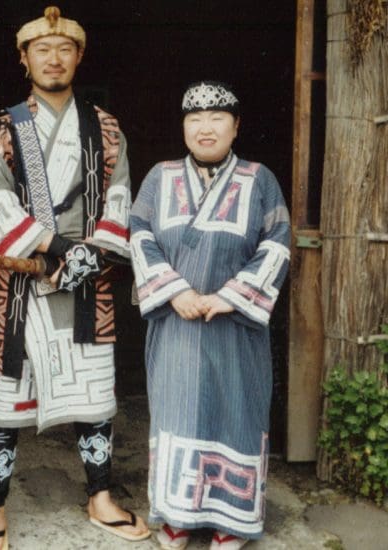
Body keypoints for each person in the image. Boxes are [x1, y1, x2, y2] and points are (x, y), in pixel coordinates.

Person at [0, 6, 150, 549]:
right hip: (22, 285)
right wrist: (59, 246)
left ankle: (99, 496)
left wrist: (90, 254)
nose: (54, 58)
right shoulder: (1, 128)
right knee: (6, 398)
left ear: (79, 57)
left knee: (94, 392)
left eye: (64, 49)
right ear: (23, 58)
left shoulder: (107, 126)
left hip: (89, 282)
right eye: (42, 50)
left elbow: (120, 197)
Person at [129, 81, 290, 550]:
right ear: (183, 127)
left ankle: (231, 522)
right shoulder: (159, 177)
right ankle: (177, 518)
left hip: (235, 327)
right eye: (195, 119)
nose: (205, 128)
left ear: (235, 127)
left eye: (217, 118)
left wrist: (230, 297)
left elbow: (278, 241)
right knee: (177, 413)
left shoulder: (260, 179)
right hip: (176, 323)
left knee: (235, 413)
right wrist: (174, 290)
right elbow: (138, 234)